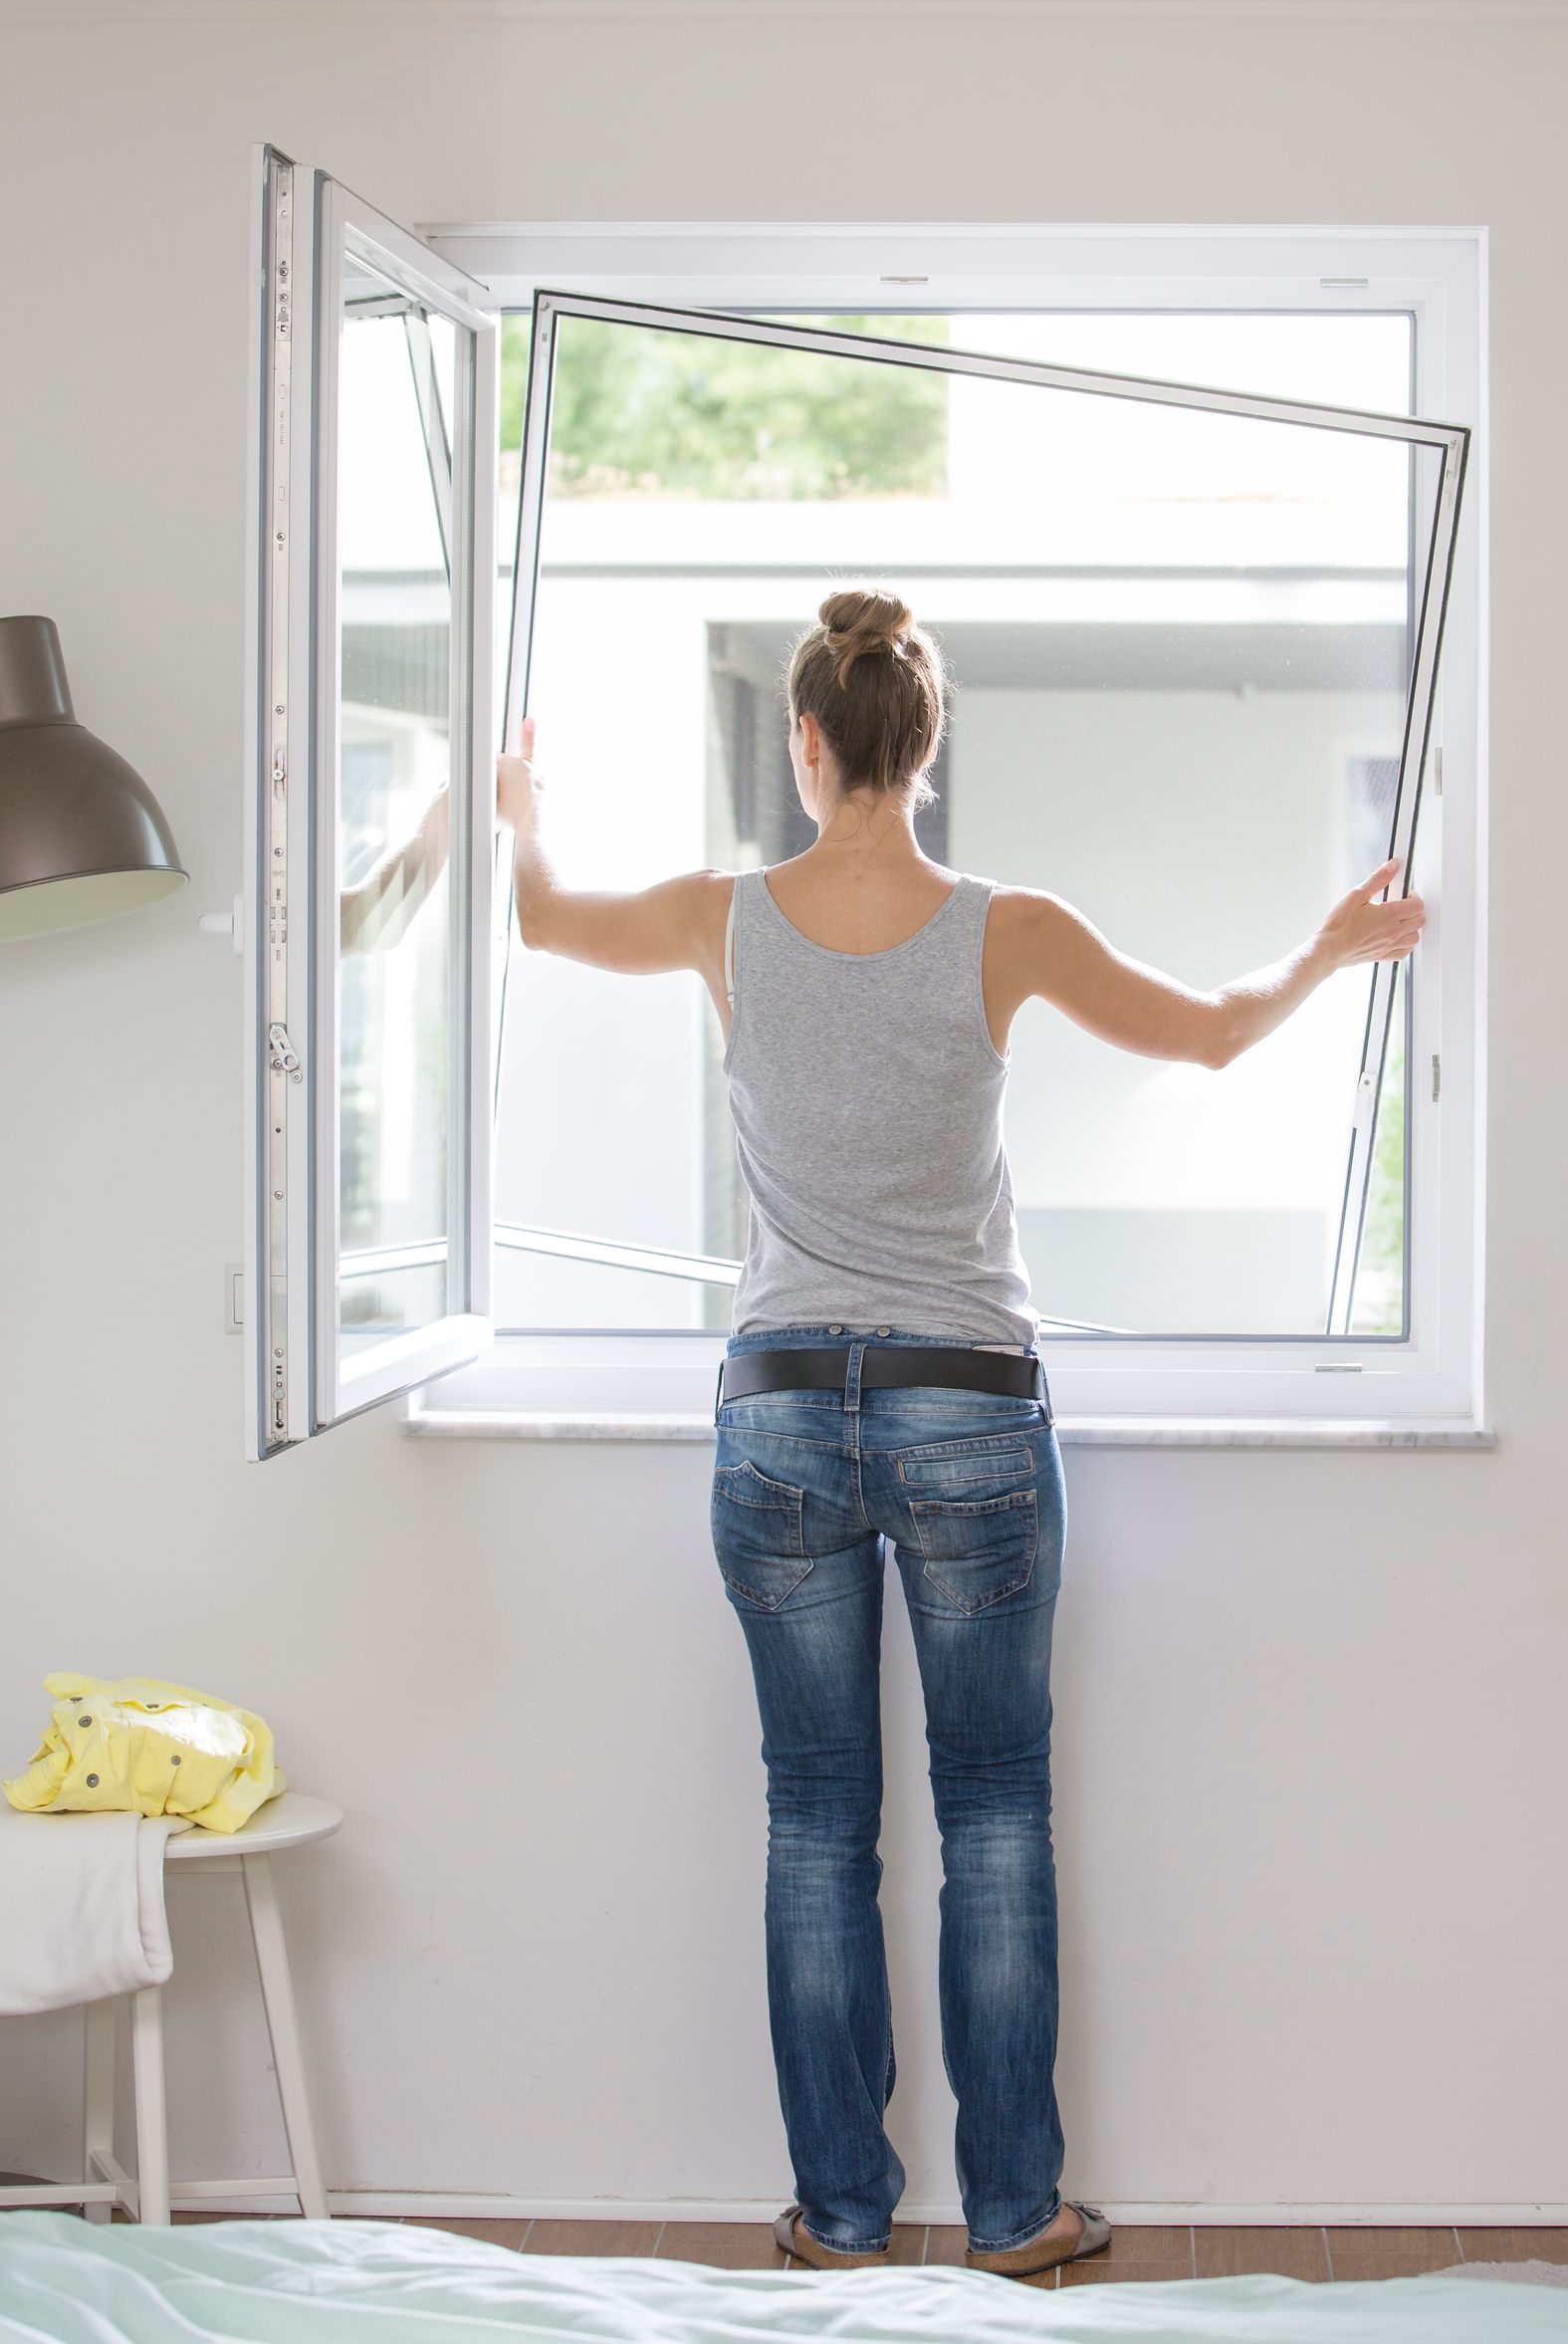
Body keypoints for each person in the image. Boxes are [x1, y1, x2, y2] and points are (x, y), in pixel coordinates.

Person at [496, 586, 1422, 2276]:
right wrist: (1329, 950)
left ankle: (842, 2221)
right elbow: (1216, 1037)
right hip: (971, 1409)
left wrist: (520, 808)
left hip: (780, 1412)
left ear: (806, 742)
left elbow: (541, 917)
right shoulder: (1010, 927)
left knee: (812, 1817)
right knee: (992, 1808)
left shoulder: (718, 917)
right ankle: (1015, 2216)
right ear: (924, 748)